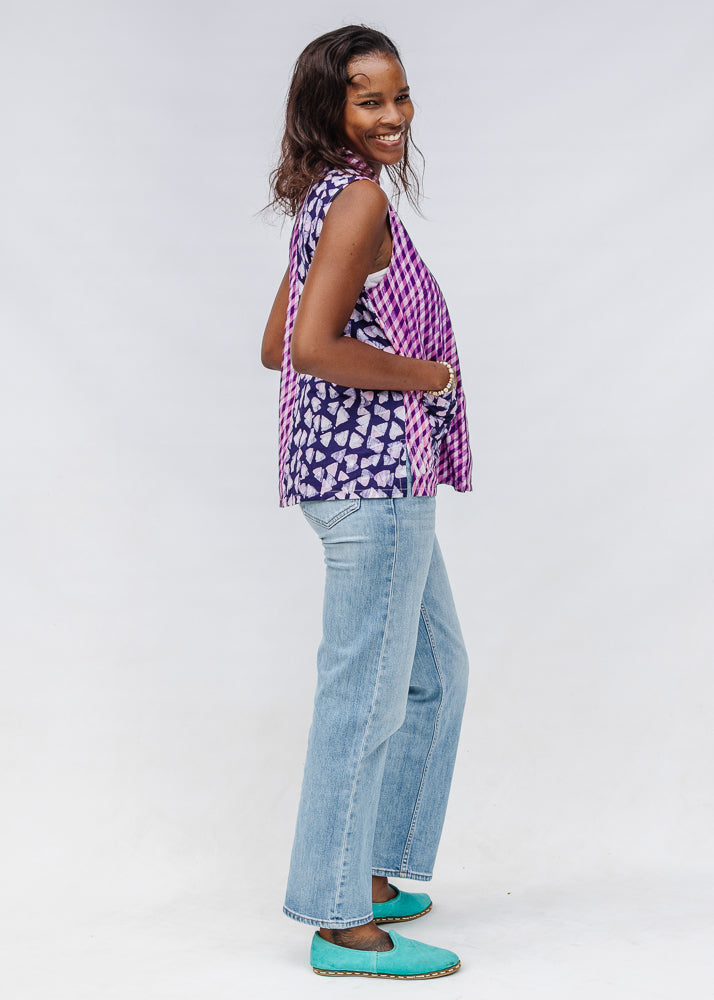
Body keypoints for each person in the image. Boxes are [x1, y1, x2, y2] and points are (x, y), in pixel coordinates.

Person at [261, 25, 473, 980]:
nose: (393, 117)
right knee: (364, 700)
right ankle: (342, 920)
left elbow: (278, 339)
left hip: (359, 477)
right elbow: (308, 350)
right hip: (375, 480)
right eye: (368, 101)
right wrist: (424, 374)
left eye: (399, 96)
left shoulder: (324, 199)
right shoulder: (355, 203)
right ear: (331, 110)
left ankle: (373, 870)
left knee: (436, 670)